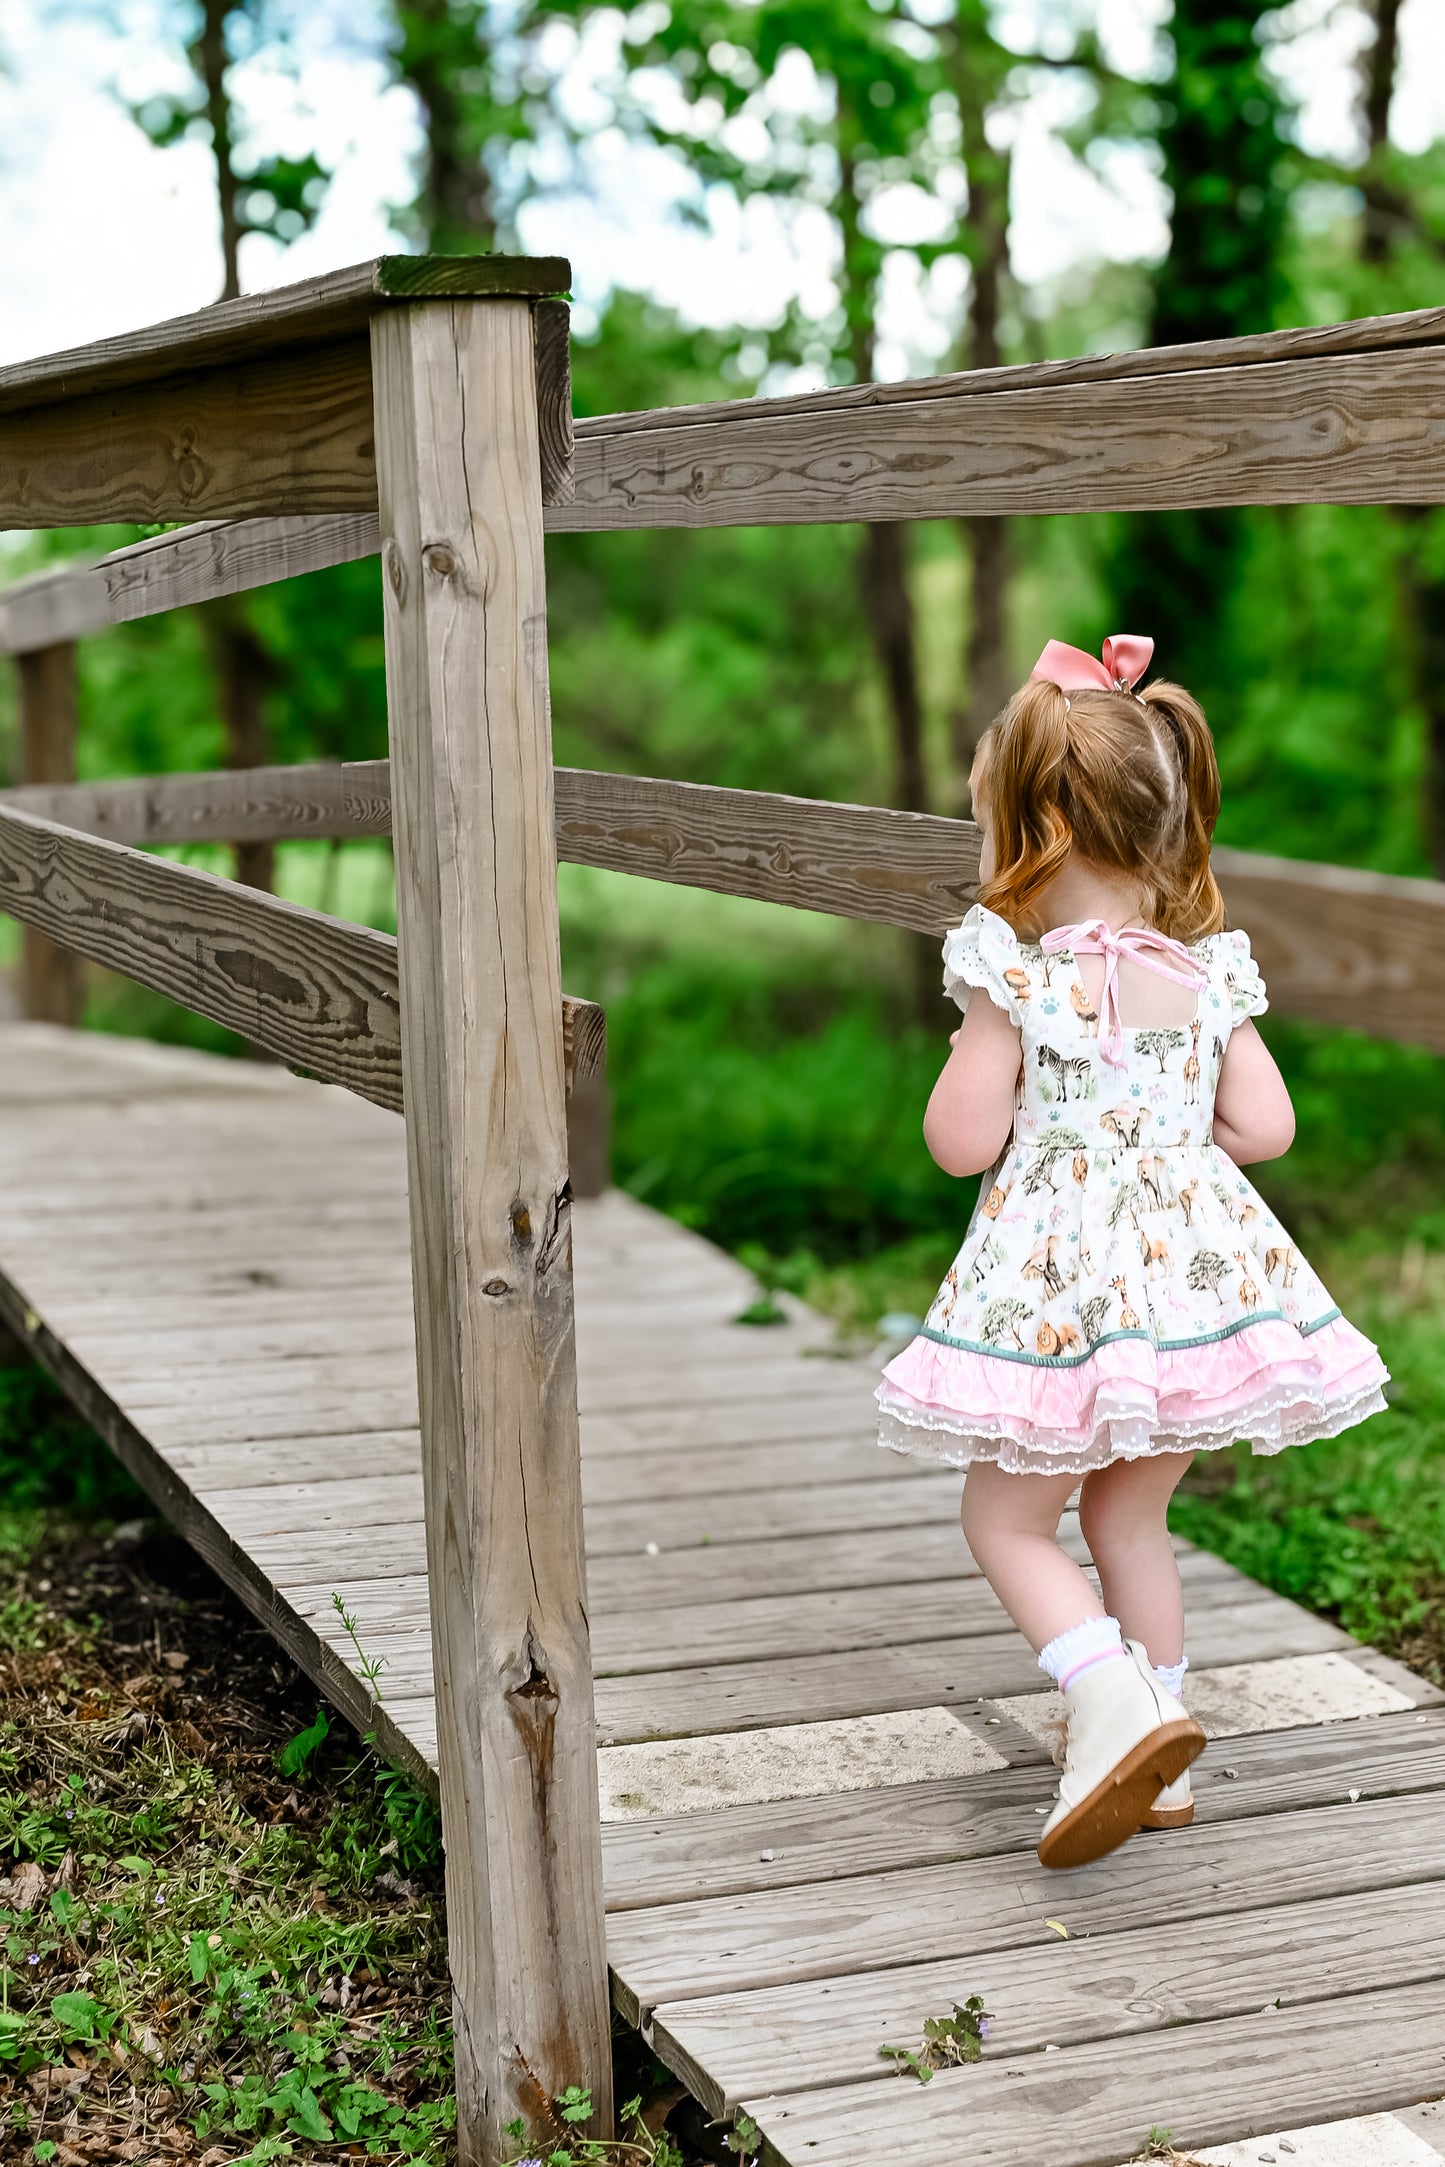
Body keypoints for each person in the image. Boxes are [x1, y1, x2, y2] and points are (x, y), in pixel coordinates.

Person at [877, 634, 1389, 1871]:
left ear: (1034, 829)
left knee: (1004, 1524)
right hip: (1187, 1301)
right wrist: (1170, 1128)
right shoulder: (1205, 970)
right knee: (1128, 1520)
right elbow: (1264, 1127)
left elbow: (959, 1142)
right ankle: (1152, 1752)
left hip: (1059, 1304)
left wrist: (979, 1031)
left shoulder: (1016, 973)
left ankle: (1107, 1700)